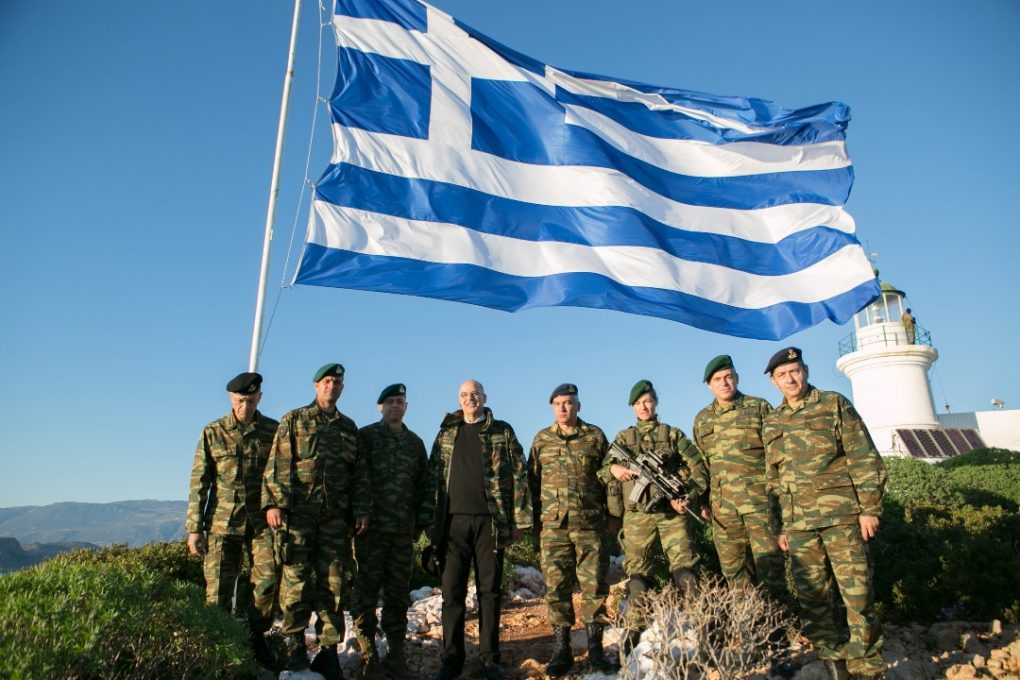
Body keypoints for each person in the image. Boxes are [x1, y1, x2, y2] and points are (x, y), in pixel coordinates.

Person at [763, 347, 888, 680]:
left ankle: (867, 667)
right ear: (774, 382)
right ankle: (834, 663)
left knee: (857, 594)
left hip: (841, 518)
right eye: (782, 375)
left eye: (794, 371)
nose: (790, 379)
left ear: (805, 370)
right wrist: (780, 527)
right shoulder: (773, 421)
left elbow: (863, 457)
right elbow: (773, 480)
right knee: (813, 599)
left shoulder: (833, 404)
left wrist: (869, 508)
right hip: (799, 525)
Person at [261, 363, 371, 676]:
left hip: (335, 518)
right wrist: (275, 503)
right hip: (298, 516)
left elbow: (359, 474)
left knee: (333, 584)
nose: (331, 386)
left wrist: (361, 509)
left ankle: (328, 651)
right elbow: (279, 463)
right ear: (316, 386)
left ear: (342, 388)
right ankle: (296, 648)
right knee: (295, 582)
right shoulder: (295, 420)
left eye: (337, 382)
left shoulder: (348, 428)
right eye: (326, 381)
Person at [428, 379, 532, 680]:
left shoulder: (502, 431)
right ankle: (451, 661)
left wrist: (520, 520)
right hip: (452, 525)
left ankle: (489, 659)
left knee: (490, 592)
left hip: (491, 524)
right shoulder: (447, 433)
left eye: (474, 394)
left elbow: (520, 474)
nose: (469, 399)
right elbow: (433, 476)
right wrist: (430, 523)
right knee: (452, 593)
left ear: (484, 397)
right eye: (464, 395)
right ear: (458, 399)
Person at [186, 371, 280, 667]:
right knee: (218, 593)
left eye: (251, 400)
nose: (245, 407)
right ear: (231, 398)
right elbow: (199, 481)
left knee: (267, 584)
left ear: (259, 398)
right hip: (222, 524)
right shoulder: (213, 432)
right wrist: (195, 528)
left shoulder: (273, 431)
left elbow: (281, 475)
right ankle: (218, 651)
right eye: (240, 401)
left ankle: (255, 636)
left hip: (261, 524)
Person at [604, 380, 708, 646]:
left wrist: (687, 496)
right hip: (637, 515)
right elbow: (603, 469)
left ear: (656, 402)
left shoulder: (672, 435)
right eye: (638, 403)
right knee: (638, 576)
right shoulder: (623, 438)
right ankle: (634, 630)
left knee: (685, 571)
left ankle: (702, 629)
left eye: (648, 401)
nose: (644, 407)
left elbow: (699, 468)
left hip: (672, 514)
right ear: (632, 407)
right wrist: (614, 470)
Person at [527, 383, 619, 677]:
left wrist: (613, 517)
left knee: (594, 587)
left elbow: (608, 478)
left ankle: (595, 649)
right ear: (552, 408)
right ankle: (561, 650)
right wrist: (534, 523)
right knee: (557, 588)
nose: (563, 408)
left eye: (568, 403)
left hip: (590, 524)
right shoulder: (542, 440)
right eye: (557, 404)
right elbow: (532, 483)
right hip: (553, 527)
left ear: (578, 405)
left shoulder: (595, 436)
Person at [353, 383, 433, 680]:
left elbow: (424, 486)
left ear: (406, 407)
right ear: (380, 407)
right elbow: (356, 478)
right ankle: (369, 658)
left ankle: (396, 656)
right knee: (366, 595)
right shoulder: (366, 437)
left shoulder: (415, 443)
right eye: (389, 402)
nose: (395, 406)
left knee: (398, 597)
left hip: (402, 532)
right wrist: (358, 513)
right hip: (370, 532)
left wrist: (421, 523)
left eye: (399, 401)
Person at [692, 355, 785, 598]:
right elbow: (701, 464)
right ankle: (747, 621)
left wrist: (780, 500)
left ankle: (778, 621)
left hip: (760, 506)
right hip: (723, 510)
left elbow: (777, 456)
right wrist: (702, 502)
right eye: (717, 379)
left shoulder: (759, 407)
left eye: (728, 377)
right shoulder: (702, 419)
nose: (724, 383)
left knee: (771, 572)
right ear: (709, 385)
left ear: (737, 378)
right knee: (735, 575)